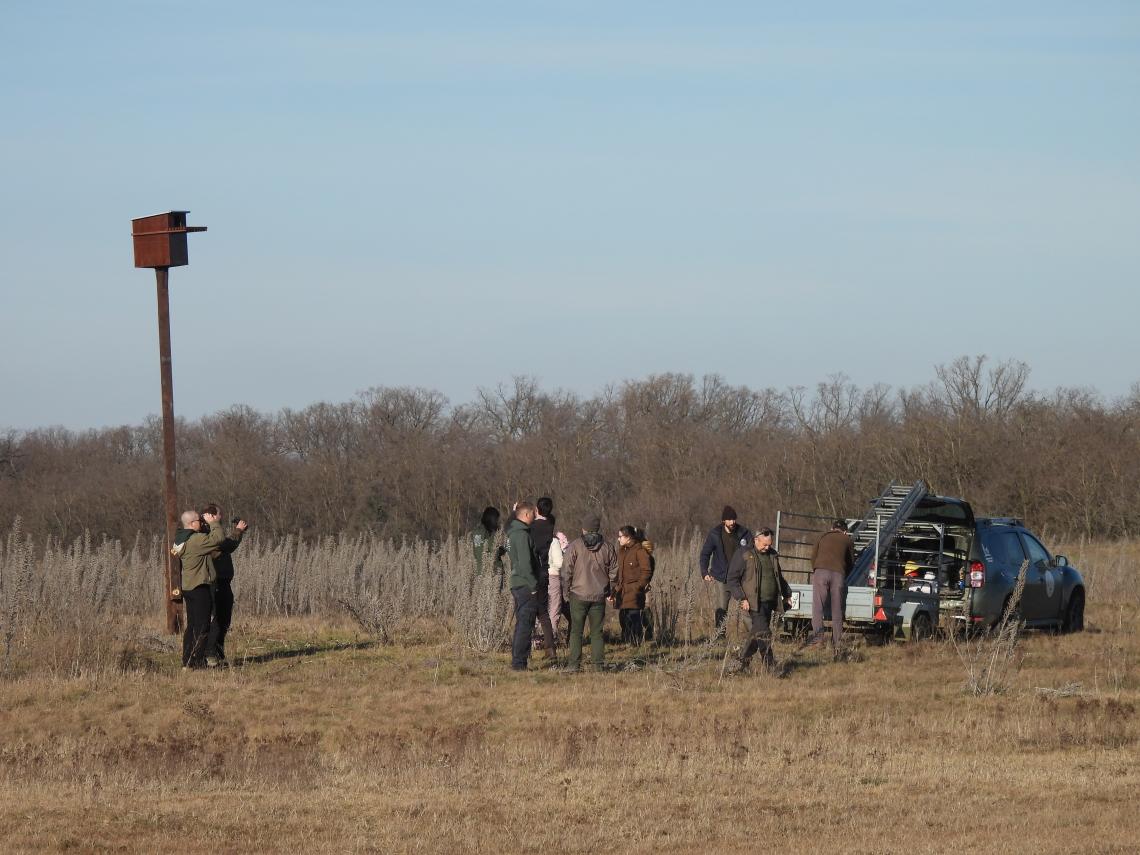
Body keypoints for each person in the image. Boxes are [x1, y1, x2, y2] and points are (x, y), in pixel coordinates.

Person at [171, 508, 244, 669]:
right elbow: (218, 539)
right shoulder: (196, 540)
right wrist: (213, 522)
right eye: (199, 520)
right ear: (191, 523)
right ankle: (197, 662)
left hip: (189, 586)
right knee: (202, 626)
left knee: (192, 626)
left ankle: (188, 662)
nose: (201, 522)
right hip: (199, 586)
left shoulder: (181, 539)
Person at [727, 528, 791, 670]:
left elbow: (778, 577)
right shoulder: (744, 553)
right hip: (753, 602)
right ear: (756, 539)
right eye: (764, 544)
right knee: (764, 633)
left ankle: (740, 663)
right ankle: (770, 666)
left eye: (770, 544)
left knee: (757, 634)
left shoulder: (772, 555)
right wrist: (742, 598)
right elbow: (732, 579)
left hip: (769, 602)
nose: (767, 547)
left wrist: (787, 595)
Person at [561, 514, 618, 672]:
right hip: (599, 595)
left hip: (578, 595)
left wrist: (566, 593)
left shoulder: (575, 546)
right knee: (597, 633)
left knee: (576, 632)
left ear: (584, 528)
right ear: (598, 528)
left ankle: (573, 665)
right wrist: (610, 590)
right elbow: (614, 572)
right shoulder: (608, 547)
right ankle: (598, 666)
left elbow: (566, 572)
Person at [506, 501, 554, 670]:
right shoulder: (522, 535)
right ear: (526, 515)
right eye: (533, 513)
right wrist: (533, 585)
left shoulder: (513, 533)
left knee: (522, 624)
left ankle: (518, 661)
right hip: (526, 585)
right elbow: (526, 563)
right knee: (526, 625)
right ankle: (519, 664)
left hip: (518, 583)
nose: (535, 515)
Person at [201, 503, 246, 667]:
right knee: (217, 619)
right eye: (219, 515)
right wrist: (238, 531)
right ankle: (210, 655)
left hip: (224, 582)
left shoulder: (213, 532)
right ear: (212, 516)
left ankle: (218, 654)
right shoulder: (206, 533)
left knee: (224, 619)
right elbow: (223, 544)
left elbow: (227, 544)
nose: (221, 517)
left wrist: (238, 531)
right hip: (215, 582)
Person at [697, 506, 754, 634]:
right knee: (721, 609)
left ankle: (754, 635)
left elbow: (753, 553)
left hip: (741, 579)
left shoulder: (744, 533)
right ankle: (719, 637)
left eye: (734, 519)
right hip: (722, 577)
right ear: (724, 521)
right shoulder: (715, 534)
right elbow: (705, 554)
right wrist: (704, 572)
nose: (732, 522)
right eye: (729, 519)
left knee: (746, 608)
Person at [809, 519, 855, 649]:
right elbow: (851, 562)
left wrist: (817, 569)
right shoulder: (848, 540)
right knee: (837, 610)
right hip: (838, 574)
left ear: (832, 528)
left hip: (821, 572)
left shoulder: (822, 536)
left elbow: (813, 556)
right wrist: (844, 573)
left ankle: (818, 641)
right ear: (845, 531)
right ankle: (837, 642)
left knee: (818, 607)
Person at [613, 526, 654, 644]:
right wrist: (615, 590)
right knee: (624, 618)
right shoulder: (622, 551)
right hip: (622, 591)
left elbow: (647, 571)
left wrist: (638, 586)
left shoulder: (640, 551)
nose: (618, 539)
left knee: (634, 617)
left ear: (628, 537)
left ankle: (636, 643)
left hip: (634, 592)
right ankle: (626, 641)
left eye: (620, 536)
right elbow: (619, 573)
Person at [530, 497, 557, 649]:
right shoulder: (550, 524)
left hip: (533, 571)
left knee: (527, 613)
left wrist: (515, 513)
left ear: (536, 509)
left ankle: (527, 648)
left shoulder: (532, 527)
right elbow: (549, 516)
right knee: (543, 613)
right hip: (544, 571)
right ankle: (550, 648)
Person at [546, 530, 570, 641]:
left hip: (542, 578)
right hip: (555, 578)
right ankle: (552, 639)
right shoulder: (555, 541)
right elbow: (559, 563)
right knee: (554, 611)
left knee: (544, 610)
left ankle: (540, 639)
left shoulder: (535, 537)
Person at [471, 506, 505, 575]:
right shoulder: (479, 532)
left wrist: (503, 549)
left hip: (494, 570)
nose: (497, 522)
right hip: (486, 572)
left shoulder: (490, 532)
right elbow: (479, 552)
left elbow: (492, 548)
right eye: (496, 519)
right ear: (491, 519)